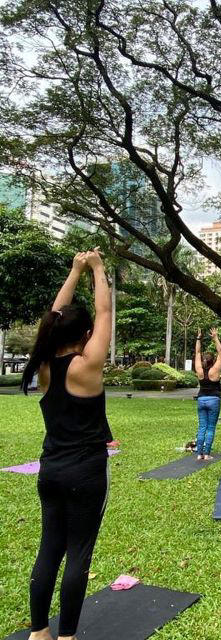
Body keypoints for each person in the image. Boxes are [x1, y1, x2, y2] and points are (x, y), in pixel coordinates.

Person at [20, 249, 112, 640]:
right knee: (78, 554)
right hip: (86, 472)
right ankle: (67, 636)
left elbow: (54, 317)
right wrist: (97, 268)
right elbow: (104, 313)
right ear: (85, 335)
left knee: (48, 551)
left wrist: (74, 271)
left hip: (51, 471)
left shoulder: (43, 367)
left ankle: (39, 632)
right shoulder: (85, 366)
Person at [194, 327, 221, 460]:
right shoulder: (215, 370)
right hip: (214, 400)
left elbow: (197, 351)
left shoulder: (199, 369)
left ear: (204, 361)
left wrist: (199, 338)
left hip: (201, 400)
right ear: (213, 361)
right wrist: (215, 337)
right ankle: (206, 454)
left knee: (202, 427)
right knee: (210, 428)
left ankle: (199, 454)